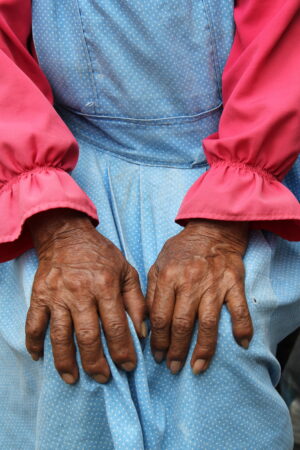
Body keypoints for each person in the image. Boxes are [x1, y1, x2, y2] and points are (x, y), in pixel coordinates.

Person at [0, 0, 299, 448]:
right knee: (66, 336)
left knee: (216, 336)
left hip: (242, 155)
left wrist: (220, 227)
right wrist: (55, 224)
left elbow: (283, 47)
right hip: (54, 160)